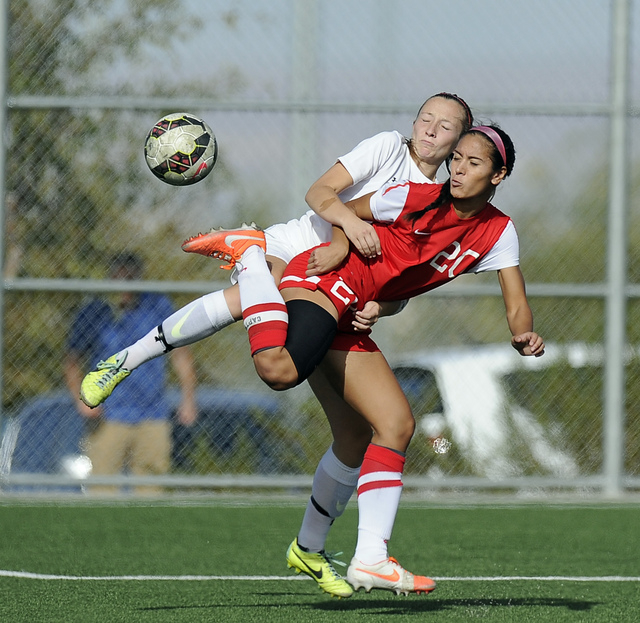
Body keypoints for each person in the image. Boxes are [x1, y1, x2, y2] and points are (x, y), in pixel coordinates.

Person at [79, 92, 473, 596]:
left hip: (344, 302)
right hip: (301, 257)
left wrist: (384, 306)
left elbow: (400, 283)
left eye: (446, 126)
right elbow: (322, 192)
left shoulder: (440, 207)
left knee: (355, 435)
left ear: (460, 142)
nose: (432, 129)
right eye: (426, 118)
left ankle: (308, 549)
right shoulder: (385, 148)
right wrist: (350, 224)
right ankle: (233, 266)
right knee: (272, 344)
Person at [181, 125, 545, 596]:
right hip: (327, 283)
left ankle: (340, 553)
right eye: (456, 159)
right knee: (282, 371)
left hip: (352, 308)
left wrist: (523, 334)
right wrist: (337, 243)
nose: (458, 169)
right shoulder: (415, 195)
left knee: (381, 427)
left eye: (473, 164)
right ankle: (250, 257)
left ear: (500, 175)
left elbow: (514, 298)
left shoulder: (498, 231)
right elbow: (342, 210)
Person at [64, 252, 197, 495]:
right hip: (109, 416)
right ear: (110, 277)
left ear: (139, 277)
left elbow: (181, 355)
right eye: (118, 276)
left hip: (153, 414)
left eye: (130, 276)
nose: (124, 282)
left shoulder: (158, 306)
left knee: (151, 492)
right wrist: (82, 400)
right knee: (102, 491)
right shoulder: (95, 311)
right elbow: (72, 361)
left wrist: (188, 398)